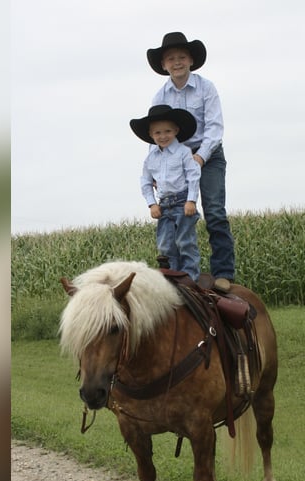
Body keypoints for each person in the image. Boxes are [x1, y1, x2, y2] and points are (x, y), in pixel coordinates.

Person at [146, 32, 235, 293]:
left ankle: (223, 273)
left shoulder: (206, 88)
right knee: (177, 215)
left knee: (215, 211)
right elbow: (156, 135)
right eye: (171, 58)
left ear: (191, 60)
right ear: (163, 65)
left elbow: (215, 128)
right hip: (175, 159)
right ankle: (181, 274)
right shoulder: (160, 96)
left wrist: (199, 157)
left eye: (181, 57)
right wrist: (156, 167)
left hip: (208, 155)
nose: (177, 62)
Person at [130, 104, 201, 282]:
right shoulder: (150, 158)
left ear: (176, 130)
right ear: (151, 135)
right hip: (164, 205)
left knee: (185, 242)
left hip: (182, 201)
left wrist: (191, 200)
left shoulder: (184, 153)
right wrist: (152, 203)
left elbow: (193, 176)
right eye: (158, 133)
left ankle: (190, 279)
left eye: (167, 131)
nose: (163, 136)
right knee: (165, 245)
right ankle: (172, 279)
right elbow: (146, 181)